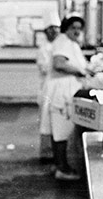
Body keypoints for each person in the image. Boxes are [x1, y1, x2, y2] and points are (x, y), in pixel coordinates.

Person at [39, 15, 93, 182]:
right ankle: (62, 168)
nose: (77, 31)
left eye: (79, 28)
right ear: (66, 29)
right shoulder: (63, 41)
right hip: (62, 92)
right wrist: (81, 72)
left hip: (64, 89)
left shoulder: (70, 43)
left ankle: (58, 164)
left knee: (59, 130)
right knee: (62, 130)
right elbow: (59, 63)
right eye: (73, 28)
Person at [37, 24, 59, 163]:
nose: (53, 33)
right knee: (46, 120)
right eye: (50, 30)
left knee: (53, 120)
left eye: (56, 30)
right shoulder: (43, 48)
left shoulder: (59, 45)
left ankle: (54, 152)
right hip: (46, 86)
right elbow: (44, 67)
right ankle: (46, 153)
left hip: (55, 85)